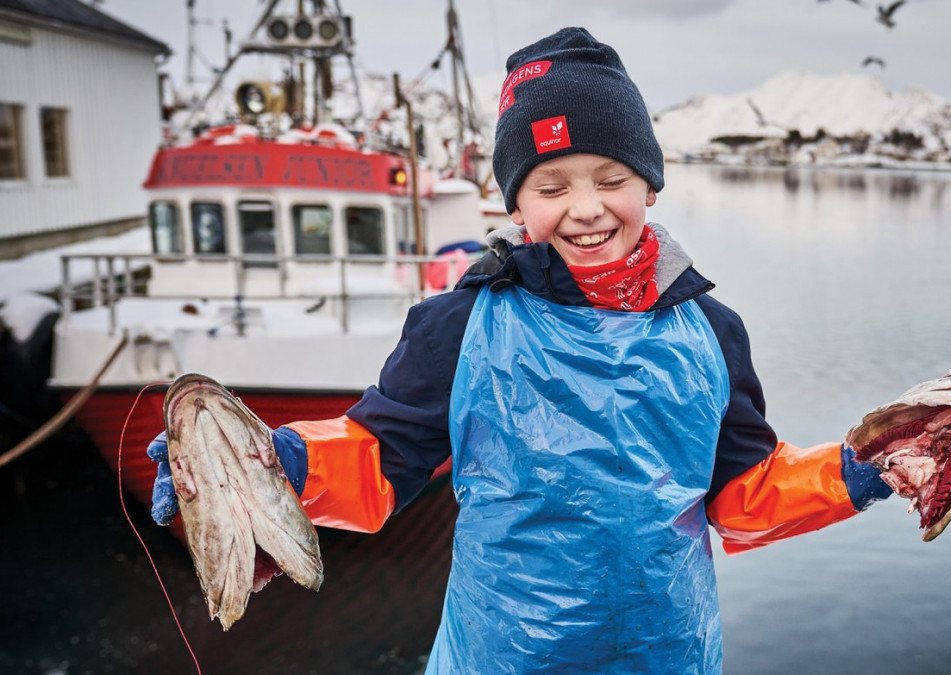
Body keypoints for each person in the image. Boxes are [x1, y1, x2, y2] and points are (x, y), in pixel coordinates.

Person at [148, 27, 893, 673]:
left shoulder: (711, 330)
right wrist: (279, 462)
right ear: (516, 202)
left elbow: (742, 494)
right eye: (552, 184)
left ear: (651, 186)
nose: (589, 207)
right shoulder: (461, 321)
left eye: (613, 178)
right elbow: (377, 460)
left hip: (668, 657)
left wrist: (856, 468)